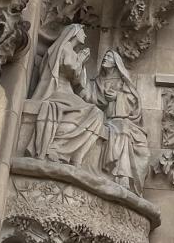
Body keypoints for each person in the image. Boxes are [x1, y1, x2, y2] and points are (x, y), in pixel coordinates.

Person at [29, 25, 105, 170]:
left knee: (98, 115)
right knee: (94, 113)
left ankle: (74, 156)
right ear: (75, 33)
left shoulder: (71, 51)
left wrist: (80, 61)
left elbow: (78, 83)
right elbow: (70, 69)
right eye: (83, 32)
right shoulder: (64, 48)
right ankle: (55, 147)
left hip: (68, 93)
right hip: (59, 92)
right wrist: (80, 60)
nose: (85, 35)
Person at [96, 50, 149, 193]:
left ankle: (124, 175)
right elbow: (93, 99)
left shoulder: (122, 81)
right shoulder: (98, 81)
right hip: (105, 118)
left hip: (121, 119)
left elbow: (133, 101)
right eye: (104, 56)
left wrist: (118, 97)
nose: (105, 58)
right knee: (121, 129)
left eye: (108, 57)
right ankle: (122, 175)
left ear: (115, 63)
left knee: (127, 131)